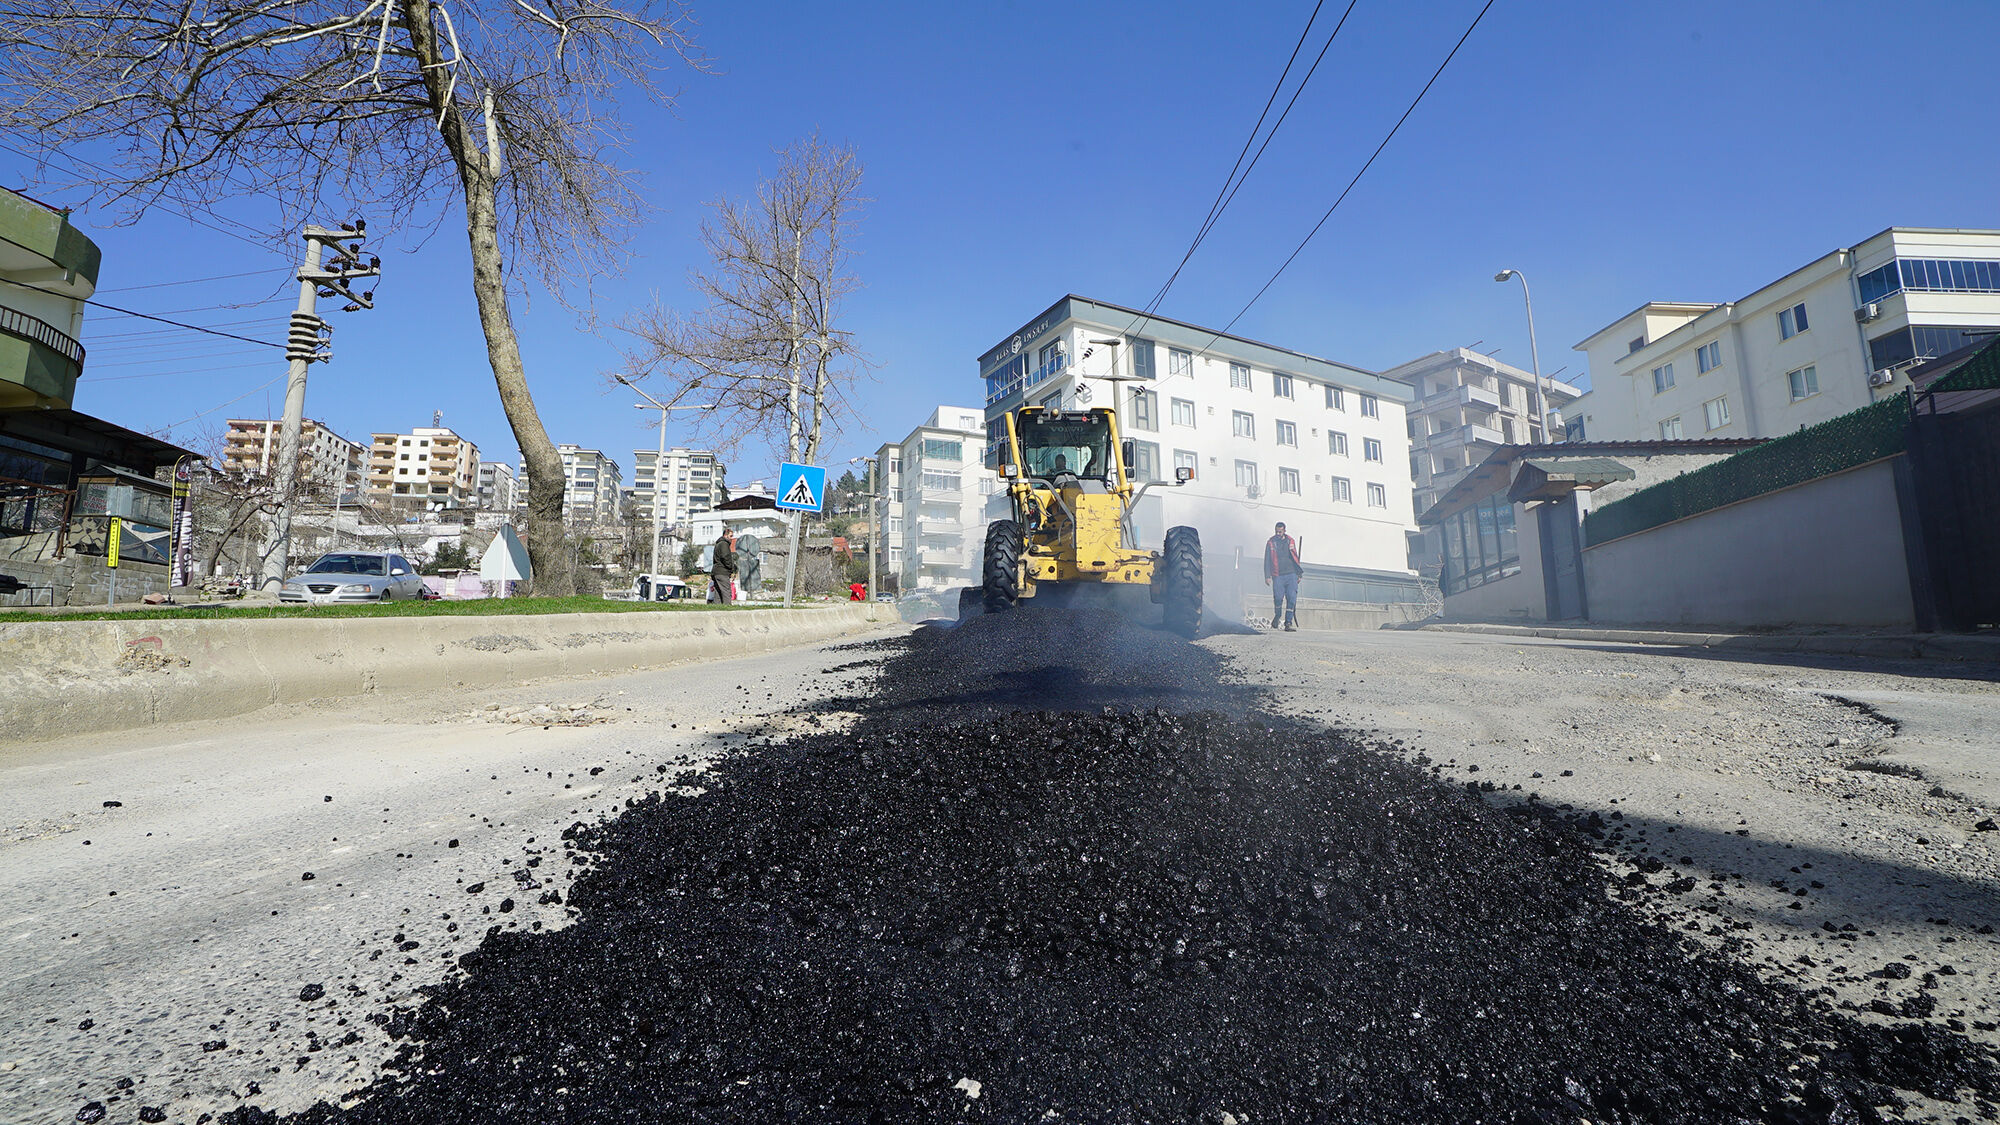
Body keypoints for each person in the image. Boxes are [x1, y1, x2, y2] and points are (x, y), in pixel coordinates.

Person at [1264, 520, 1302, 631]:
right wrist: (1267, 576)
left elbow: (1295, 558)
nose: (1278, 534)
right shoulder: (1271, 543)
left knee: (1291, 598)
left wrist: (1299, 573)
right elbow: (1267, 560)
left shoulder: (1290, 541)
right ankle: (1277, 615)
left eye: (1280, 532)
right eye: (1276, 531)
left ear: (1284, 531)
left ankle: (1288, 623)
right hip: (1278, 575)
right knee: (1278, 598)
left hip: (1291, 574)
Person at [708, 528, 738, 604]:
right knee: (726, 591)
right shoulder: (724, 544)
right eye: (730, 536)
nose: (732, 538)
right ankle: (727, 607)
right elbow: (725, 557)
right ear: (725, 535)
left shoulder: (718, 544)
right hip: (722, 572)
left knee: (718, 593)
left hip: (716, 572)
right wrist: (731, 568)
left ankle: (717, 607)